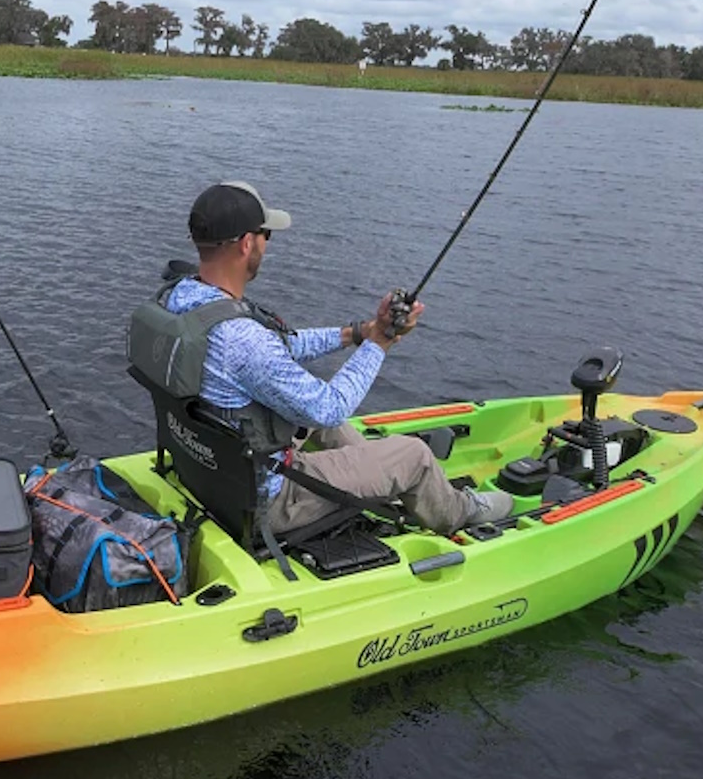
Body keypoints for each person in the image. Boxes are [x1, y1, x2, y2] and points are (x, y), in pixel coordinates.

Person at [153, 180, 512, 536]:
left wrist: (358, 333)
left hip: (210, 470)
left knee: (310, 414)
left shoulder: (182, 298)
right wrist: (381, 341)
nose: (266, 243)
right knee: (413, 456)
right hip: (268, 499)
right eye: (266, 235)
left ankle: (379, 479)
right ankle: (457, 511)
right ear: (247, 243)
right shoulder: (243, 340)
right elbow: (330, 407)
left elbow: (280, 346)